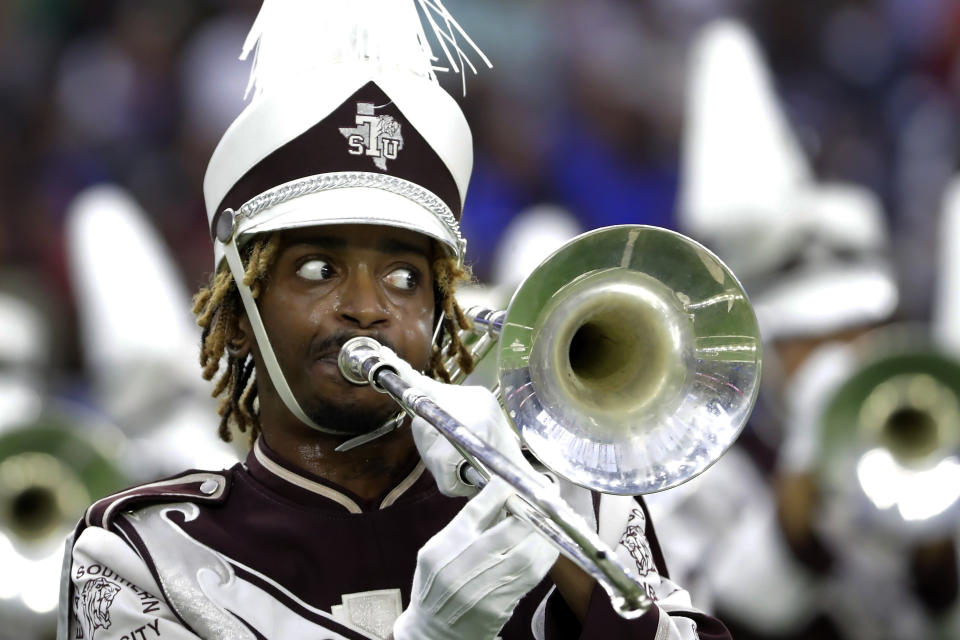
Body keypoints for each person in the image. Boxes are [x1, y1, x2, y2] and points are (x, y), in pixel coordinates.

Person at [58, 2, 732, 638]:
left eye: (405, 277)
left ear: (442, 311)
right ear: (238, 318)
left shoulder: (578, 502)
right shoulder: (136, 554)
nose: (367, 306)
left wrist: (554, 528)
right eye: (318, 269)